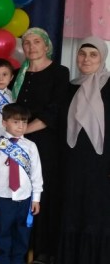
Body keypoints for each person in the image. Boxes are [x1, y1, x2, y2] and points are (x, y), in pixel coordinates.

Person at [11, 28, 68, 263]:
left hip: (45, 142)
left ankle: (42, 249)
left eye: (36, 42)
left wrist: (23, 130)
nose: (31, 46)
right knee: (17, 189)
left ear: (46, 46)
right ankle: (18, 246)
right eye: (27, 43)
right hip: (19, 141)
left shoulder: (59, 72)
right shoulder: (18, 74)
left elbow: (54, 110)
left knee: (41, 192)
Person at [57, 37, 110, 263]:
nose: (86, 59)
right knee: (73, 207)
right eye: (82, 54)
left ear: (102, 58)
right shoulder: (70, 87)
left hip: (102, 163)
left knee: (96, 209)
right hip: (73, 160)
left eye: (93, 55)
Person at [0, 103, 43, 264]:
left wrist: (36, 198)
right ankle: (2, 260)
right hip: (3, 197)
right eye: (16, 122)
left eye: (24, 122)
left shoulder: (31, 146)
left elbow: (36, 173)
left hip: (25, 198)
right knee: (2, 231)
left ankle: (18, 260)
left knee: (23, 233)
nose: (20, 126)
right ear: (4, 122)